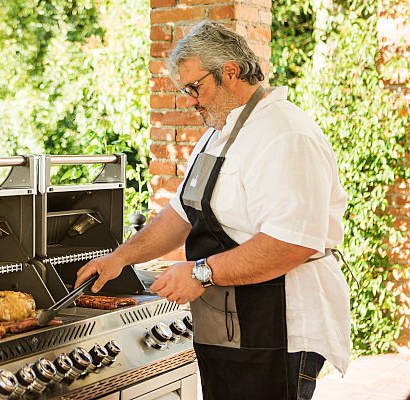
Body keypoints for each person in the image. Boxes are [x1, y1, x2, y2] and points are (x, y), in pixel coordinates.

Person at [74, 21, 350, 400]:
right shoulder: (218, 135)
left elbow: (292, 243)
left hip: (277, 330)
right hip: (229, 328)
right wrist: (120, 258)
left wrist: (200, 272)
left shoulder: (284, 134)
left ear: (230, 72)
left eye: (194, 88)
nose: (190, 101)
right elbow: (181, 214)